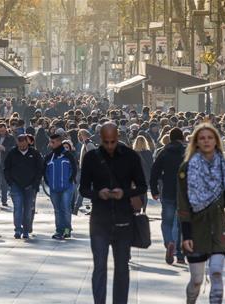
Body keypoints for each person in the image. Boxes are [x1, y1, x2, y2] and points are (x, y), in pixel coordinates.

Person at [80, 122, 146, 304]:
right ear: (101, 139)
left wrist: (125, 193)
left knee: (122, 269)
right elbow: (83, 189)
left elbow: (142, 186)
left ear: (118, 138)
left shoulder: (130, 157)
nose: (110, 145)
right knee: (100, 267)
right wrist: (97, 194)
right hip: (99, 220)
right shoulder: (91, 158)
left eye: (113, 141)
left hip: (124, 219)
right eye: (106, 142)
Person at [177, 123, 225, 304]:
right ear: (196, 142)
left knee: (217, 273)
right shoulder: (186, 169)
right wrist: (186, 234)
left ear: (216, 141)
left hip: (218, 228)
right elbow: (183, 203)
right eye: (202, 138)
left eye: (210, 137)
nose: (206, 141)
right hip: (195, 228)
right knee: (196, 280)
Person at [150, 127, 185, 265]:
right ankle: (180, 253)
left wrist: (154, 190)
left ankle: (169, 242)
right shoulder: (187, 152)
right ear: (182, 138)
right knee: (181, 223)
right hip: (183, 193)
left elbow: (154, 172)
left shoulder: (163, 152)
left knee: (167, 221)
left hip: (168, 191)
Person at [4, 134, 43, 239]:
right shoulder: (12, 153)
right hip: (16, 185)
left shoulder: (34, 153)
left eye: (23, 145)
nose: (21, 147)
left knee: (27, 209)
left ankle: (26, 230)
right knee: (17, 208)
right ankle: (17, 229)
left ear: (27, 142)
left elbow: (40, 169)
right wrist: (10, 182)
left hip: (30, 186)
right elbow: (6, 168)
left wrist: (35, 184)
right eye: (19, 145)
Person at [43, 134, 77, 240]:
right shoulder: (49, 157)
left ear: (58, 142)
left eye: (52, 142)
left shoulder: (68, 155)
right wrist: (49, 183)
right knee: (57, 210)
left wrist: (69, 181)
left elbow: (74, 169)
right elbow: (44, 171)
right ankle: (59, 230)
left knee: (66, 209)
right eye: (50, 142)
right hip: (54, 188)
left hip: (67, 187)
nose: (50, 144)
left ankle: (67, 230)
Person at [132, 135, 153, 212]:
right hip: (146, 175)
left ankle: (137, 207)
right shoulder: (148, 153)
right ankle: (144, 208)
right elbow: (151, 165)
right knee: (144, 192)